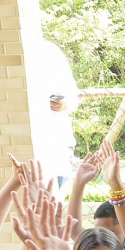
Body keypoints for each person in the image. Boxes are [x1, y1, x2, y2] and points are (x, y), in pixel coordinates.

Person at [30, 35, 80, 189]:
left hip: (56, 141)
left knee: (56, 198)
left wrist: (64, 104)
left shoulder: (50, 52)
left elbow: (73, 98)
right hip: (29, 146)